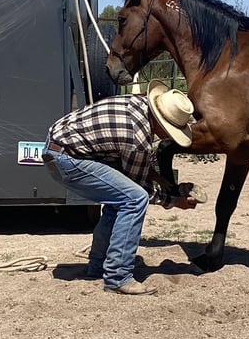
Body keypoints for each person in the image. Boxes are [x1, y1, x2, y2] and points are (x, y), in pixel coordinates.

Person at [41, 80, 201, 295]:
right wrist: (173, 202)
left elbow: (122, 154)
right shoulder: (137, 140)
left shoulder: (136, 103)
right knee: (134, 199)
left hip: (60, 147)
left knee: (118, 201)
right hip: (68, 160)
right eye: (172, 131)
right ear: (162, 124)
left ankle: (98, 266)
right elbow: (139, 188)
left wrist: (157, 177)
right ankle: (118, 276)